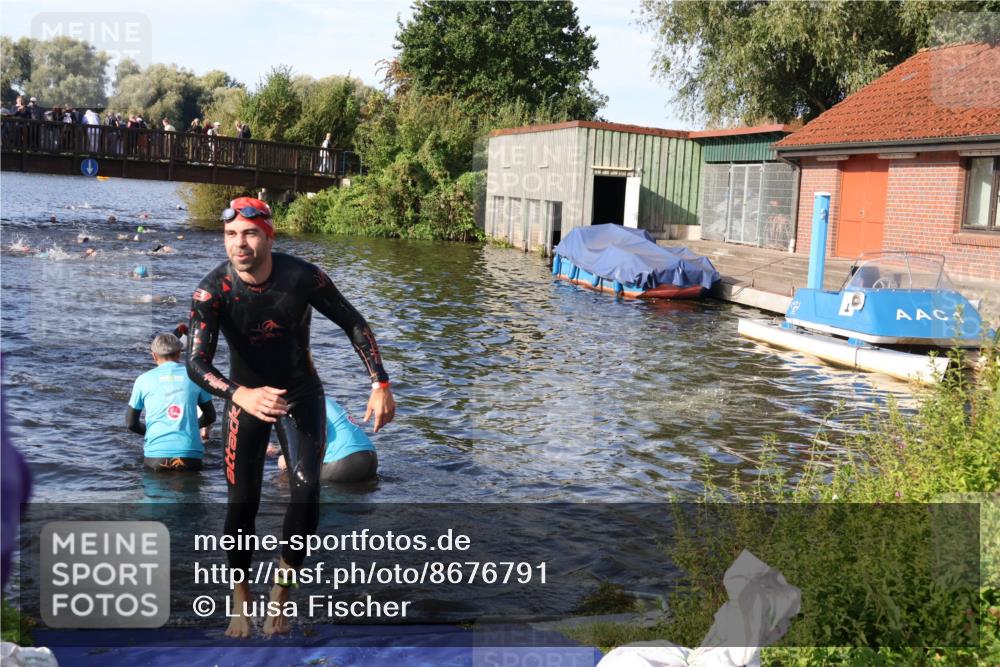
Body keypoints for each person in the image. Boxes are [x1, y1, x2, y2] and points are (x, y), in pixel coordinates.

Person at [185, 196, 395, 638]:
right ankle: (240, 599)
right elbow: (196, 365)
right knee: (243, 501)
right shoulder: (212, 292)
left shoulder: (302, 277)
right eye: (230, 235)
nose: (238, 244)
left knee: (307, 491)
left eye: (249, 234)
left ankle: (281, 594)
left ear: (268, 235)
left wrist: (380, 382)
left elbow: (353, 322)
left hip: (300, 394)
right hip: (245, 398)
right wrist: (240, 394)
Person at [127, 329, 217, 471]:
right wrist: (190, 427)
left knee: (154, 492)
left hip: (156, 456)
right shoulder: (196, 376)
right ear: (179, 353)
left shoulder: (142, 380)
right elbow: (210, 416)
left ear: (154, 356)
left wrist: (153, 432)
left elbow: (131, 423)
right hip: (190, 454)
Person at [275, 397, 378, 482]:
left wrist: (287, 459)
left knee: (287, 478)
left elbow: (309, 439)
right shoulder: (322, 398)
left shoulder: (297, 402)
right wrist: (278, 450)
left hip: (345, 462)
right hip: (370, 457)